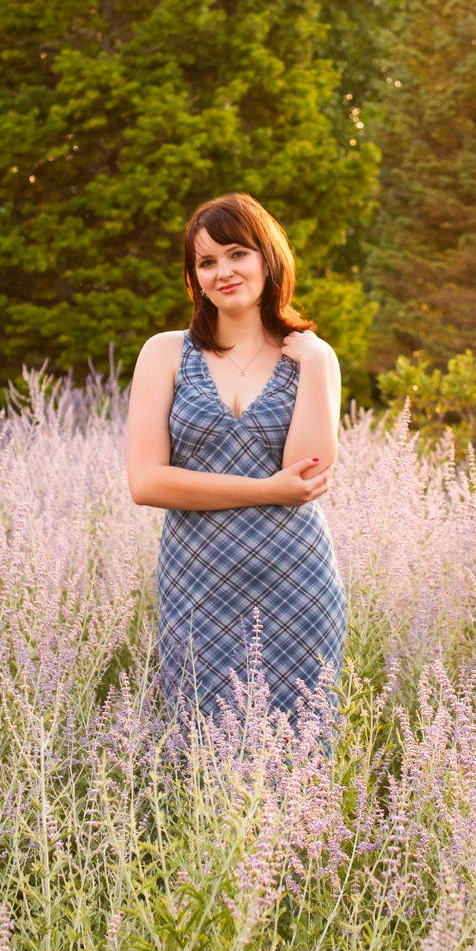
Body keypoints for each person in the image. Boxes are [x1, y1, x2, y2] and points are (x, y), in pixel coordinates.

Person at [126, 193, 346, 721]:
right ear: (194, 276)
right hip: (197, 579)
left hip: (297, 584)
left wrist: (314, 361)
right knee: (199, 753)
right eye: (206, 262)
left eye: (236, 253)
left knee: (301, 754)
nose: (223, 271)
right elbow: (146, 482)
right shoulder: (165, 353)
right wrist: (267, 491)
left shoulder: (312, 357)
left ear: (268, 258)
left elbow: (309, 473)